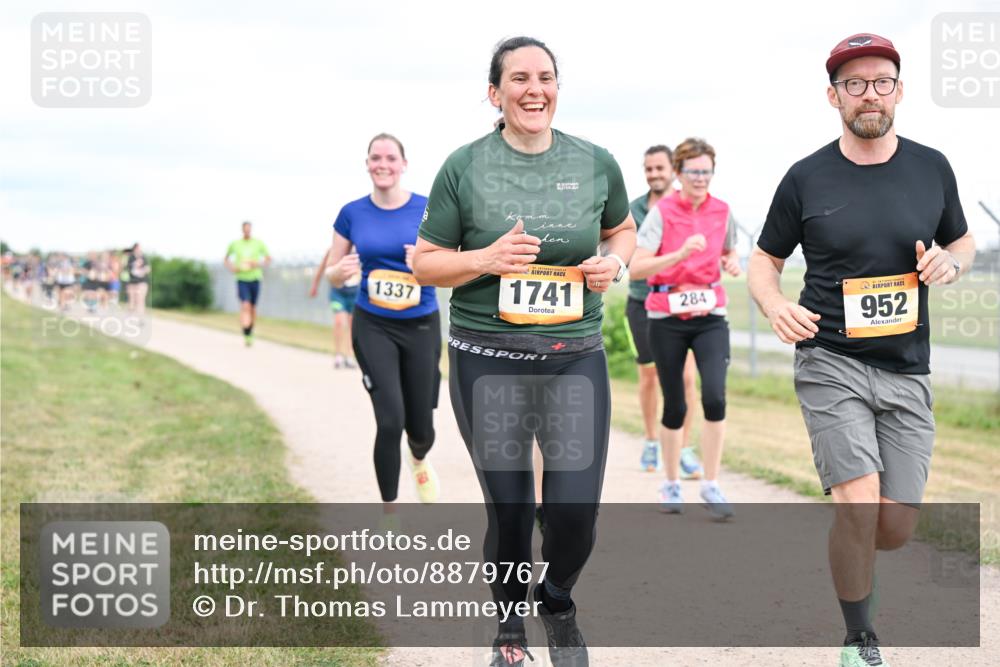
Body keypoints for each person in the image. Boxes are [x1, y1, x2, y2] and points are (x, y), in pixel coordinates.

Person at [747, 33, 975, 667]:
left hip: (908, 370)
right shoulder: (806, 177)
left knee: (894, 528)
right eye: (854, 84)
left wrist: (950, 267)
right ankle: (859, 640)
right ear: (833, 96)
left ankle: (855, 560)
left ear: (898, 91)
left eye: (881, 82)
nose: (868, 94)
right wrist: (774, 304)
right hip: (830, 361)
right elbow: (763, 260)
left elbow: (962, 242)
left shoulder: (932, 167)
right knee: (857, 506)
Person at [413, 36, 636, 667]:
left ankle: (557, 599)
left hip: (574, 355)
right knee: (510, 511)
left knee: (574, 513)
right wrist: (485, 259)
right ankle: (509, 635)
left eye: (545, 77)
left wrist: (614, 263)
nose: (533, 88)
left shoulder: (597, 161)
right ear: (495, 93)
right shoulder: (464, 165)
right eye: (518, 78)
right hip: (488, 358)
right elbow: (426, 265)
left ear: (558, 88)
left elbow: (622, 227)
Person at [325, 132, 442, 517]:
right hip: (373, 324)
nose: (383, 165)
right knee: (390, 420)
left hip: (421, 323)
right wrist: (338, 273)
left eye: (391, 158)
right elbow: (333, 273)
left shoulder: (427, 209)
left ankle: (419, 458)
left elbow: (448, 265)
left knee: (421, 428)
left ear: (404, 165)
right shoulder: (351, 213)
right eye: (376, 158)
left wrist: (423, 265)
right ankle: (389, 511)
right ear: (367, 164)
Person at [629, 138, 741, 520]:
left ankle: (710, 484)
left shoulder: (722, 211)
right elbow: (637, 267)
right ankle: (672, 482)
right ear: (678, 173)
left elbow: (726, 251)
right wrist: (678, 255)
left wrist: (731, 263)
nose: (700, 179)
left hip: (710, 314)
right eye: (693, 172)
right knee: (674, 403)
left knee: (714, 396)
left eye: (706, 171)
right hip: (666, 315)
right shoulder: (662, 213)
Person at [628, 145, 704, 477]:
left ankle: (685, 449)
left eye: (659, 168)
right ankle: (650, 441)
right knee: (649, 376)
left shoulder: (687, 206)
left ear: (673, 170)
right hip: (642, 301)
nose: (654, 174)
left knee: (687, 379)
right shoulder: (631, 210)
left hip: (679, 304)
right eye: (648, 169)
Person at [309, 245, 360, 368]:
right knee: (339, 321)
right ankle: (338, 354)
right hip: (338, 291)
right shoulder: (334, 249)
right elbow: (322, 268)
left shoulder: (360, 245)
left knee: (352, 324)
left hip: (354, 291)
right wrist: (315, 286)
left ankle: (349, 355)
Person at [224, 221, 271, 346]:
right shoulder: (235, 244)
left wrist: (256, 264)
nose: (247, 232)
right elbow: (226, 259)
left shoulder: (258, 243)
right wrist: (232, 267)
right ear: (242, 230)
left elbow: (268, 259)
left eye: (249, 229)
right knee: (245, 305)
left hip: (255, 278)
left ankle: (250, 331)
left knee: (253, 308)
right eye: (245, 229)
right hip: (241, 279)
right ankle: (246, 331)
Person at [125, 243, 150, 320]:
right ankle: (130, 317)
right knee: (132, 299)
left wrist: (142, 271)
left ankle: (140, 318)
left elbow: (148, 268)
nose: (139, 250)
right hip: (132, 282)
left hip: (142, 281)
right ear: (134, 249)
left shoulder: (144, 257)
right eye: (137, 249)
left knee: (140, 299)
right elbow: (129, 269)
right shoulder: (130, 258)